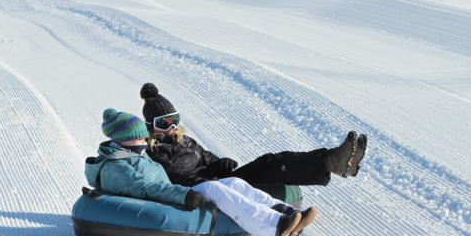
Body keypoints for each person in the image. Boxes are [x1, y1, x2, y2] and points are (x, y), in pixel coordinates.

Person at [87, 109, 319, 236]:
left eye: (141, 138)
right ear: (121, 140)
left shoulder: (129, 156)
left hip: (171, 192)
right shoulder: (116, 166)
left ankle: (286, 214)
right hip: (168, 198)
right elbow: (145, 188)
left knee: (234, 183)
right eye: (137, 138)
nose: (142, 142)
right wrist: (184, 193)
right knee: (216, 190)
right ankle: (276, 228)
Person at [139, 83, 367, 188]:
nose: (171, 126)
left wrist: (220, 164)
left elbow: (208, 158)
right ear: (151, 126)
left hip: (219, 181)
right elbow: (176, 178)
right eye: (163, 122)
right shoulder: (152, 152)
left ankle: (333, 160)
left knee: (271, 161)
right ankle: (331, 163)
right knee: (267, 168)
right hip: (205, 190)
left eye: (174, 119)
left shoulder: (185, 140)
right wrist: (211, 179)